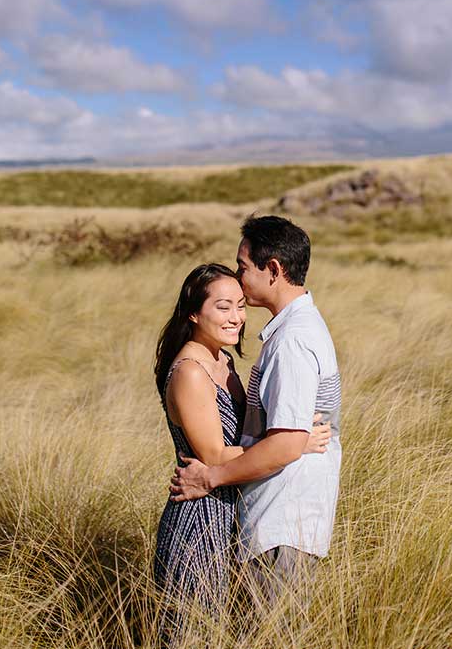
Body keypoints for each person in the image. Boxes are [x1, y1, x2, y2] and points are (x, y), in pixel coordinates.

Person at [153, 262, 330, 642]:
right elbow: (214, 455)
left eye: (239, 305)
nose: (236, 317)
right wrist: (293, 445)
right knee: (192, 634)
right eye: (223, 307)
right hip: (199, 516)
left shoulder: (224, 361)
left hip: (231, 511)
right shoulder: (191, 371)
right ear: (194, 313)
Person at [171, 215, 342, 604]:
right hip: (276, 519)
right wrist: (296, 443)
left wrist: (211, 477)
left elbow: (285, 444)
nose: (238, 276)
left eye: (243, 267)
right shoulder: (296, 330)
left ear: (274, 270)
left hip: (282, 521)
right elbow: (290, 441)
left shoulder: (292, 342)